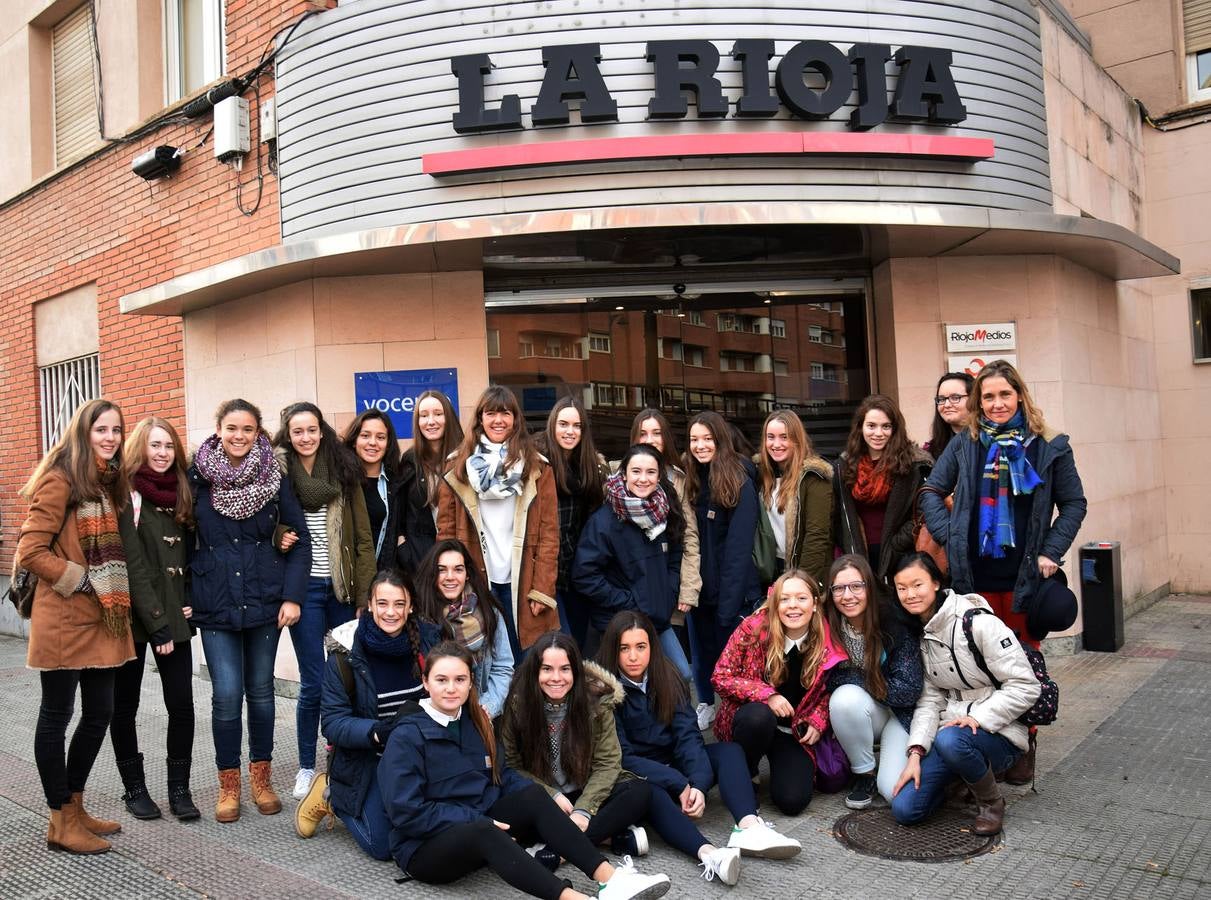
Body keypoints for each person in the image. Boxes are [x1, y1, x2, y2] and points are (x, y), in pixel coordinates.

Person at [378, 641, 672, 900]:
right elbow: (407, 812)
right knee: (483, 830)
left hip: (481, 822)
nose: (451, 688)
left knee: (532, 794)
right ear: (426, 683)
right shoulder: (407, 736)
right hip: (424, 848)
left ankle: (611, 880)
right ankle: (573, 898)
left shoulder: (475, 722)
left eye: (460, 679)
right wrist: (476, 819)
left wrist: (548, 800)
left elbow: (502, 776)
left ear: (471, 684)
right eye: (441, 679)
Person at [920, 360, 1086, 781]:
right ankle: (987, 741)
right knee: (978, 664)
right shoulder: (966, 443)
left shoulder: (1049, 446)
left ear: (1019, 396)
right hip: (972, 577)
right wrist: (950, 533)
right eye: (988, 396)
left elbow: (1073, 503)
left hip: (1023, 579)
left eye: (1004, 395)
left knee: (1022, 665)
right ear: (979, 401)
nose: (996, 404)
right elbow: (932, 491)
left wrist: (1052, 549)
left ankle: (1024, 739)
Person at [18, 399, 152, 854]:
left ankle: (74, 805)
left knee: (100, 713)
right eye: (102, 430)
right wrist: (81, 580)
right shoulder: (61, 480)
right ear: (83, 433)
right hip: (66, 615)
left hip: (102, 617)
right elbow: (30, 551)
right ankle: (59, 819)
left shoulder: (109, 483)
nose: (111, 438)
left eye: (116, 430)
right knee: (56, 717)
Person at [596, 611, 801, 886]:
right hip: (637, 775)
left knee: (729, 752)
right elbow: (622, 758)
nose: (633, 656)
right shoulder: (602, 691)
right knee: (650, 792)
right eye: (625, 648)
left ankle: (748, 826)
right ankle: (709, 855)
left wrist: (698, 785)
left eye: (640, 647)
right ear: (613, 650)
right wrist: (680, 784)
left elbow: (689, 736)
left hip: (675, 764)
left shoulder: (668, 676)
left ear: (651, 648)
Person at [189, 398, 311, 822]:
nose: (239, 436)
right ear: (218, 429)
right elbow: (183, 539)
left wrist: (293, 596)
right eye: (231, 428)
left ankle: (262, 779)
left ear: (259, 432)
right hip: (215, 601)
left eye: (247, 429)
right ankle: (229, 785)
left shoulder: (275, 478)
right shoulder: (197, 478)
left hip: (264, 600)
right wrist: (185, 593)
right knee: (225, 695)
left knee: (260, 693)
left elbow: (300, 538)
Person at [890, 553, 1041, 836]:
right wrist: (916, 751)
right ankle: (962, 778)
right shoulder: (920, 633)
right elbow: (930, 700)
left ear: (935, 583)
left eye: (917, 584)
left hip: (999, 732)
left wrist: (979, 718)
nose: (910, 594)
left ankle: (991, 802)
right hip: (954, 735)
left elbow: (1026, 686)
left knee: (951, 740)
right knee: (905, 809)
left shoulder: (977, 623)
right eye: (902, 588)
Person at [294, 569, 440, 859]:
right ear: (370, 605)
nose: (390, 612)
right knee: (384, 846)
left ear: (410, 606)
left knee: (435, 823)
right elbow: (333, 723)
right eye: (382, 603)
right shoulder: (345, 655)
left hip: (420, 752)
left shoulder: (429, 641)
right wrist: (375, 732)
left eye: (399, 604)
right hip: (366, 758)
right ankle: (332, 795)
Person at [274, 401, 376, 800]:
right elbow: (270, 525)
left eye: (312, 430)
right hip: (303, 591)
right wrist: (278, 535)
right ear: (288, 434)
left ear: (322, 431)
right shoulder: (279, 474)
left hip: (342, 588)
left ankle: (343, 761)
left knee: (348, 677)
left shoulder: (344, 471)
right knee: (313, 681)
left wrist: (365, 595)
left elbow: (364, 539)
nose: (305, 438)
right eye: (297, 431)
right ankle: (304, 766)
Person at [108, 416, 200, 822]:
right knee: (122, 706)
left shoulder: (183, 490)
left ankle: (179, 789)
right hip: (134, 617)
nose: (162, 453)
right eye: (154, 445)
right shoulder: (127, 494)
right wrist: (158, 619)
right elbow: (134, 565)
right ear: (140, 448)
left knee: (182, 705)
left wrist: (191, 599)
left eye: (168, 446)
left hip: (175, 616)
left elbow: (194, 555)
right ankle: (134, 789)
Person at [501, 631, 654, 857]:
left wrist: (584, 809)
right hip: (543, 798)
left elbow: (608, 763)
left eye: (565, 669)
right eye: (547, 669)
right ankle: (612, 838)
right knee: (506, 819)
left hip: (584, 791)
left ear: (575, 670)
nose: (556, 678)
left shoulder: (596, 702)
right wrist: (552, 794)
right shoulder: (518, 703)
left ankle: (557, 852)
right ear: (535, 671)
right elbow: (511, 766)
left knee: (639, 792)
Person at [711, 569, 847, 816]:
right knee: (758, 717)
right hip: (749, 721)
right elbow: (720, 677)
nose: (792, 606)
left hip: (790, 730)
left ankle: (778, 766)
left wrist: (819, 719)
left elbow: (832, 690)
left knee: (793, 801)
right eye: (784, 599)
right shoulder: (752, 629)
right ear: (775, 603)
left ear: (815, 604)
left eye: (801, 598)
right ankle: (748, 770)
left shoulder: (827, 641)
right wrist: (766, 695)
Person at [436, 385, 559, 659]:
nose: (498, 420)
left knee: (526, 663)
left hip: (524, 582)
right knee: (484, 662)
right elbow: (445, 534)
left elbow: (550, 534)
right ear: (480, 418)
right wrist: (452, 580)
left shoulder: (537, 467)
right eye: (491, 413)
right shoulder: (457, 467)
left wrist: (542, 589)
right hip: (477, 580)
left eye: (505, 413)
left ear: (516, 419)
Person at [573, 445, 691, 680]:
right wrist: (628, 602)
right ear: (624, 474)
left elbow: (675, 554)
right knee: (623, 688)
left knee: (681, 674)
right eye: (636, 471)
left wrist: (668, 591)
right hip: (618, 624)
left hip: (657, 619)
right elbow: (584, 575)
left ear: (659, 477)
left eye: (650, 472)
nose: (643, 479)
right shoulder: (604, 521)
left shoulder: (664, 512)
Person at [823, 554, 922, 809]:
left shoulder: (893, 621)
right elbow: (827, 681)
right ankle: (864, 773)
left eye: (856, 586)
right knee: (844, 699)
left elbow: (907, 692)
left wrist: (856, 676)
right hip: (866, 710)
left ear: (869, 586)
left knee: (892, 793)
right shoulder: (827, 624)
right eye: (839, 588)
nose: (848, 596)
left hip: (901, 714)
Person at [683, 411, 762, 730]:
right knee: (701, 656)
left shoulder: (738, 476)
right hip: (700, 591)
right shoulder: (692, 476)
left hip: (734, 594)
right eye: (694, 440)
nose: (700, 446)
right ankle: (706, 704)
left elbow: (738, 550)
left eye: (707, 439)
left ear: (720, 439)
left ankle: (738, 721)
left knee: (735, 665)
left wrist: (728, 609)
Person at [833, 395, 932, 585]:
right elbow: (837, 515)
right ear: (860, 427)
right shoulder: (844, 466)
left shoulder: (914, 465)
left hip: (903, 557)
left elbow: (922, 513)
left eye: (886, 426)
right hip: (859, 558)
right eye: (871, 426)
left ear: (895, 429)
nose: (878, 433)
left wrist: (896, 545)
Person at [533, 396, 608, 647]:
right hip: (546, 570)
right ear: (553, 425)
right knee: (561, 644)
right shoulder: (537, 463)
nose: (570, 431)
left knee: (578, 642)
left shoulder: (590, 466)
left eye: (576, 426)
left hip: (578, 571)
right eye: (563, 424)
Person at [413, 538, 514, 719]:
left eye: (458, 569)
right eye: (441, 570)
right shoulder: (419, 615)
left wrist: (485, 708)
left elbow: (503, 667)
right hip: (433, 716)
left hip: (480, 709)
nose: (450, 576)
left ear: (467, 573)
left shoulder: (489, 611)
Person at [755, 410, 834, 591]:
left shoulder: (813, 477)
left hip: (803, 571)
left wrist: (801, 584)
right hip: (770, 570)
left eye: (784, 437)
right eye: (770, 437)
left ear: (797, 439)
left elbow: (817, 536)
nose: (776, 444)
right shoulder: (760, 474)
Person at [396, 389, 464, 574]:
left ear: (448, 417)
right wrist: (404, 551)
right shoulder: (410, 460)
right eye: (423, 415)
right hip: (420, 562)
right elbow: (400, 514)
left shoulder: (465, 457)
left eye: (438, 414)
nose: (430, 421)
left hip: (460, 560)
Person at [343, 409, 403, 572]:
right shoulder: (340, 479)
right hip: (348, 580)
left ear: (388, 443)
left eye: (380, 437)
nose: (373, 442)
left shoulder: (397, 482)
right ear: (354, 440)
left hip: (383, 577)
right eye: (365, 435)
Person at [924, 372, 975, 462]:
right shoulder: (929, 452)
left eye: (955, 398)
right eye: (942, 399)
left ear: (973, 399)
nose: (946, 405)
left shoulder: (988, 442)